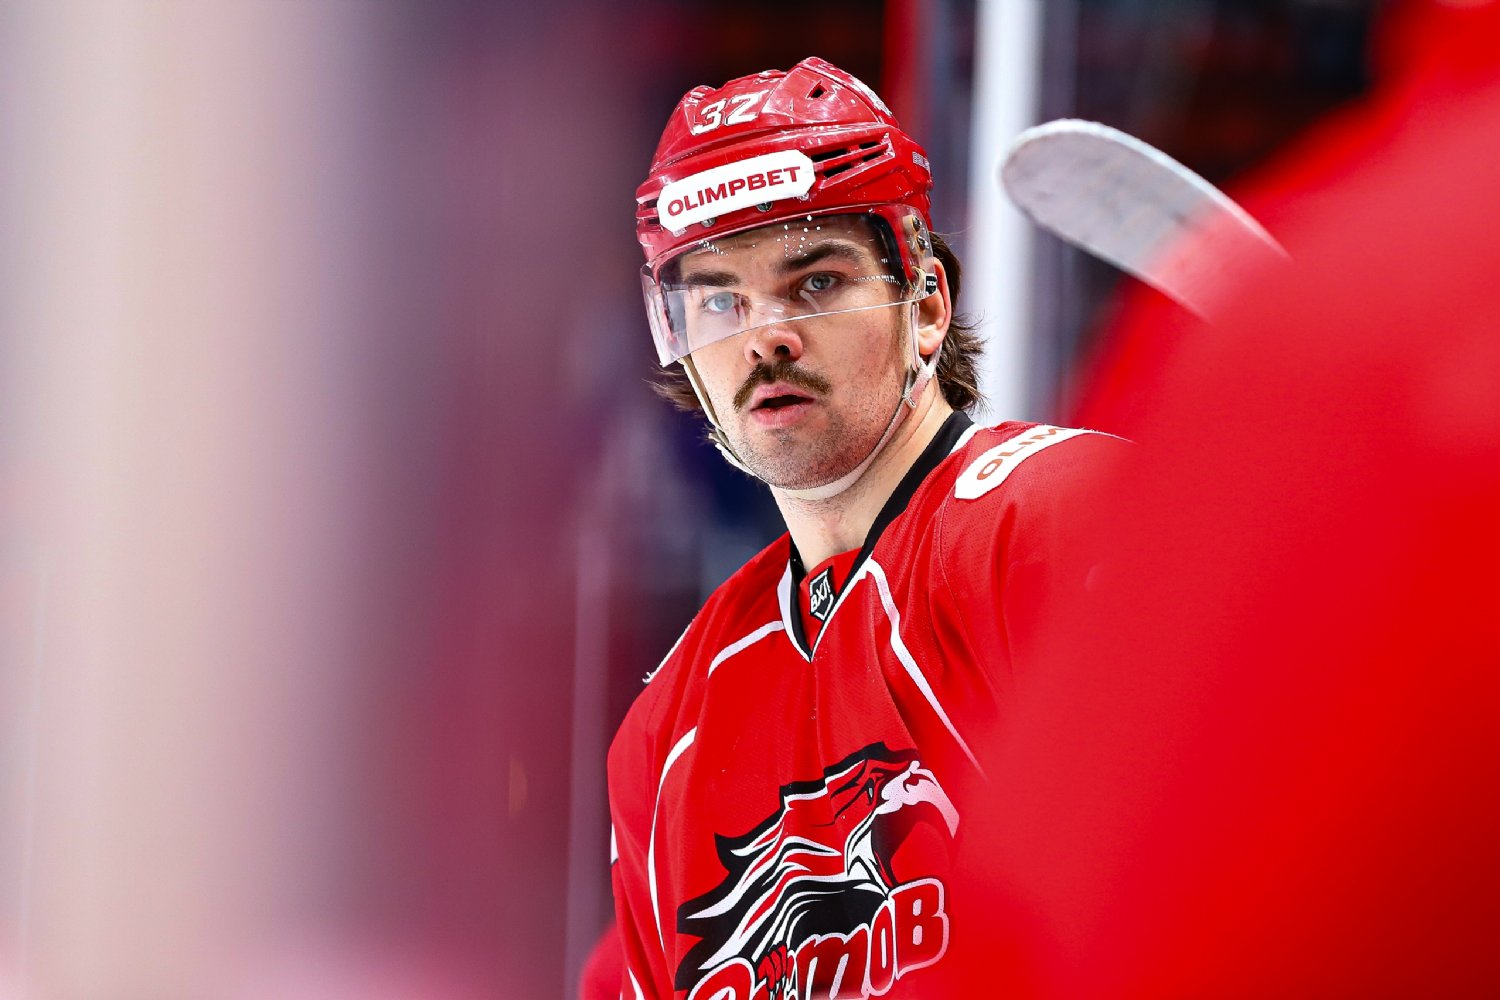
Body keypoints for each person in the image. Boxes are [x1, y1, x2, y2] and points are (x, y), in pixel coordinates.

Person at [597, 57, 1130, 1000]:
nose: (763, 336)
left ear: (926, 305)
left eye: (815, 283)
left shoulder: (1061, 522)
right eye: (719, 300)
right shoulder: (668, 727)